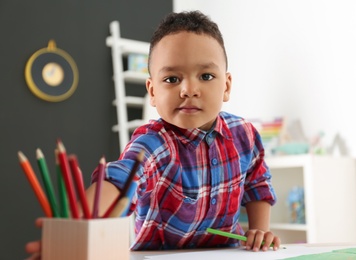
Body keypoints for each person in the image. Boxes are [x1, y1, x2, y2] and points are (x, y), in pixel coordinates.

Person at [25, 10, 280, 258]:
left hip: (227, 254)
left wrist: (259, 230)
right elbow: (118, 182)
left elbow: (257, 183)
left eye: (206, 76)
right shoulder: (152, 142)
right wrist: (76, 229)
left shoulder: (244, 134)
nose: (189, 89)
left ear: (226, 86)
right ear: (153, 91)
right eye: (171, 79)